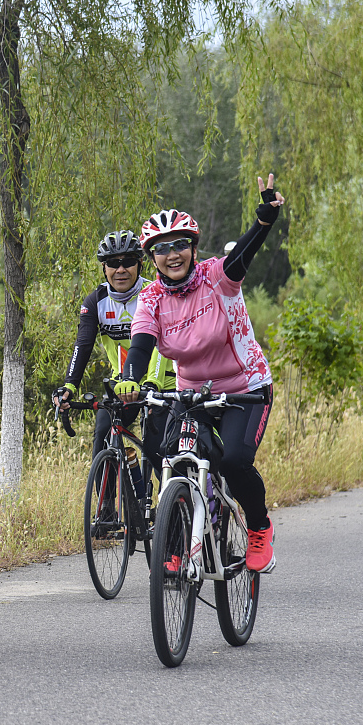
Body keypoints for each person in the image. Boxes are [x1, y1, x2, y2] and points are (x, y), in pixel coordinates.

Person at [116, 174, 284, 573]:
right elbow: (140, 346)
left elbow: (243, 253)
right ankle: (174, 546)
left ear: (192, 248)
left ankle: (259, 527)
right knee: (171, 457)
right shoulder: (151, 298)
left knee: (234, 461)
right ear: (151, 258)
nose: (172, 255)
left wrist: (263, 221)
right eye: (161, 249)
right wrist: (130, 379)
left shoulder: (217, 277)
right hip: (193, 394)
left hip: (246, 388)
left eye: (179, 245)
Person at [54, 230, 173, 497]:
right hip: (124, 382)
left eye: (128, 261)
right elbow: (82, 345)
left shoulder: (154, 293)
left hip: (163, 379)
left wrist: (152, 382)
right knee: (104, 433)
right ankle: (106, 510)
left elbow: (161, 345)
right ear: (104, 269)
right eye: (113, 263)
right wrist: (70, 386)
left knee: (158, 450)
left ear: (139, 264)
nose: (121, 269)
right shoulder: (96, 301)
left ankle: (172, 515)